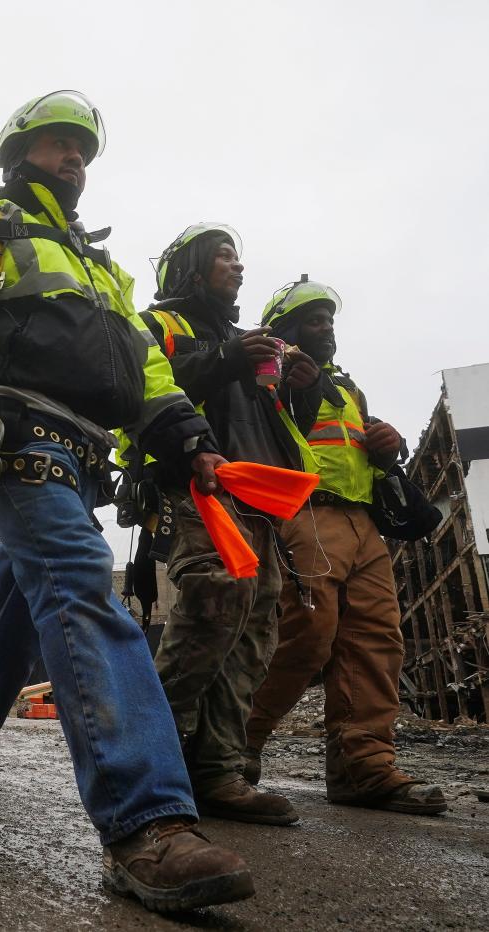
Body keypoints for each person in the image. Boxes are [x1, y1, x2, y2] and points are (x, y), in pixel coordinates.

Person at [0, 91, 254, 913]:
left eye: (81, 149)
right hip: (16, 437)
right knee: (80, 585)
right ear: (18, 153)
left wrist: (189, 442)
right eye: (55, 144)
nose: (72, 157)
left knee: (10, 613)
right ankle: (147, 822)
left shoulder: (102, 269)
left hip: (84, 456)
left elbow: (148, 373)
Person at [242, 279, 447, 815]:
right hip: (307, 513)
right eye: (313, 319)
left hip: (362, 525)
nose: (326, 326)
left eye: (330, 319)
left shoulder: (346, 389)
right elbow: (260, 433)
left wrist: (388, 447)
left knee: (376, 642)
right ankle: (232, 747)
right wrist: (293, 388)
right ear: (286, 330)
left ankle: (364, 766)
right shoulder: (267, 371)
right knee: (305, 633)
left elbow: (352, 452)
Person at [134, 226, 312, 826]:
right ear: (190, 267)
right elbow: (141, 392)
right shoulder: (160, 326)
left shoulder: (246, 341)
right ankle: (150, 763)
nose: (237, 266)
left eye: (239, 255)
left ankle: (218, 772)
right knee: (216, 603)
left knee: (254, 631)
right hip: (200, 486)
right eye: (224, 256)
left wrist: (296, 389)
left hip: (258, 495)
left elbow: (271, 423)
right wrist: (224, 360)